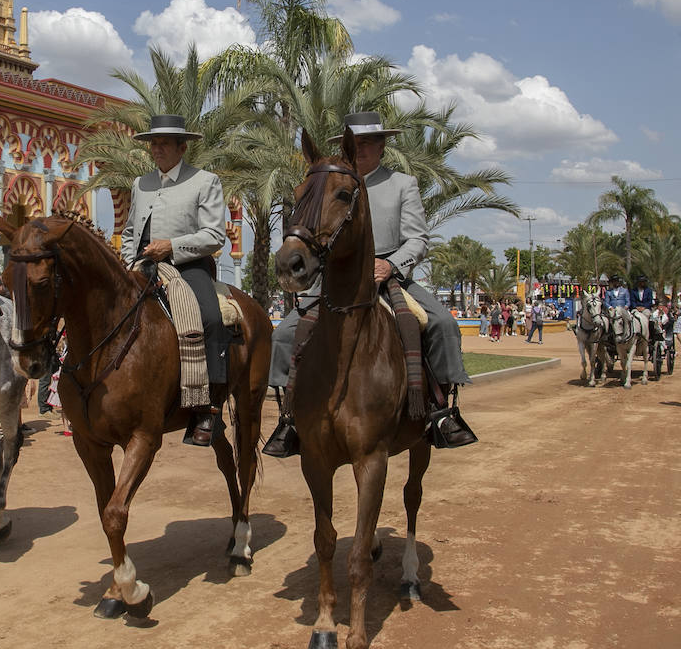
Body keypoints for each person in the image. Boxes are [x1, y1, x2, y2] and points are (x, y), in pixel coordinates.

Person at [264, 111, 476, 457]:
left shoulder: (402, 184)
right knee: (285, 333)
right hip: (336, 278)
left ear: (382, 146)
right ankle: (289, 418)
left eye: (368, 143)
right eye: (356, 143)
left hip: (389, 273)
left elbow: (418, 239)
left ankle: (441, 412)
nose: (361, 149)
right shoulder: (328, 183)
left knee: (441, 323)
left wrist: (390, 264)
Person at [120, 114, 229, 447]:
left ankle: (209, 408)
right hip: (141, 266)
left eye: (164, 143)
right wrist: (127, 261)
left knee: (210, 317)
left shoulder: (205, 181)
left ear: (183, 147)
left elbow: (214, 234)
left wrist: (172, 246)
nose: (157, 149)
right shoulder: (141, 184)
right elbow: (128, 231)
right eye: (153, 143)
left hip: (187, 265)